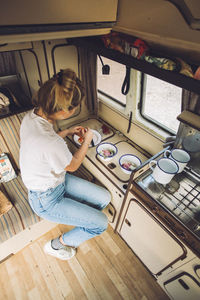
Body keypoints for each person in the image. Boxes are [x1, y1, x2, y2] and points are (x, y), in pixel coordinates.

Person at [19, 69, 111, 260]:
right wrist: (88, 139)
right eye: (75, 107)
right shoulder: (52, 142)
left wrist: (68, 131)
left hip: (55, 182)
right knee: (101, 224)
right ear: (64, 111)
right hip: (46, 200)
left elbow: (45, 144)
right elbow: (73, 165)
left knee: (104, 197)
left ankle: (83, 220)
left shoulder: (31, 117)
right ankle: (56, 245)